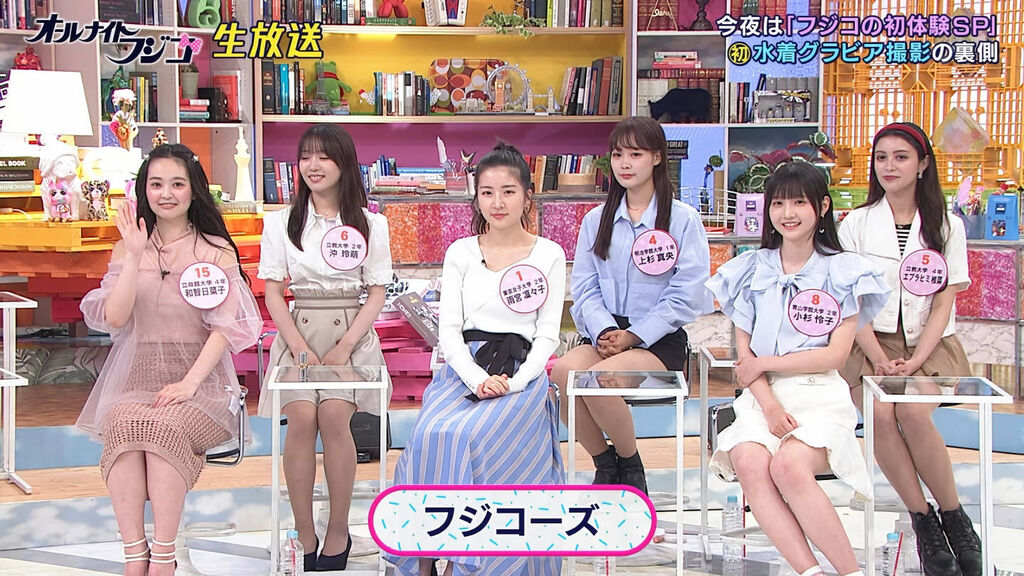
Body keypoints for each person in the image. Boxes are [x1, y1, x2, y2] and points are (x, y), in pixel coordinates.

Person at [77, 144, 262, 576]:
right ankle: (134, 555)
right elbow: (115, 318)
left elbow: (225, 330)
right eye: (156, 184)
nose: (166, 193)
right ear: (144, 190)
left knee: (161, 429)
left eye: (177, 184)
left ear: (194, 190)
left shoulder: (215, 250)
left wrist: (188, 384)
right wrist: (134, 255)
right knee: (126, 427)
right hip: (134, 377)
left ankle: (163, 557)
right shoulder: (127, 248)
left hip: (201, 382)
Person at [385, 142, 566, 576]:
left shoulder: (549, 254)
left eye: (508, 191)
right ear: (476, 197)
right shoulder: (461, 252)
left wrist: (514, 382)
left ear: (527, 196)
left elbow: (547, 335)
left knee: (473, 437)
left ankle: (468, 561)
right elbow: (448, 331)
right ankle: (425, 555)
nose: (497, 202)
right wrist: (476, 379)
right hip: (464, 371)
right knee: (432, 433)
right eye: (487, 192)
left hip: (521, 375)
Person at [706, 161, 889, 576]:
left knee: (788, 466)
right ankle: (811, 572)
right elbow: (745, 363)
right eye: (778, 203)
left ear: (822, 207)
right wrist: (770, 406)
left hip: (819, 394)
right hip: (762, 399)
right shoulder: (749, 269)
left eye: (799, 203)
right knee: (749, 461)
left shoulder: (845, 271)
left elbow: (835, 356)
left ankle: (852, 572)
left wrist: (766, 363)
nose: (787, 213)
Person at [839, 122, 980, 576]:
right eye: (881, 157)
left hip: (929, 344)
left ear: (922, 165)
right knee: (881, 415)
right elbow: (851, 301)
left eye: (900, 157)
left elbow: (944, 301)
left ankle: (955, 517)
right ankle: (924, 521)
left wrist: (917, 358)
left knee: (913, 412)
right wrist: (879, 358)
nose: (889, 166)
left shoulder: (947, 225)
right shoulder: (856, 224)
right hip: (869, 342)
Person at [550, 116, 712, 493]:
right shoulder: (596, 220)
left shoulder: (683, 220)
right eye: (618, 154)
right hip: (605, 334)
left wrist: (635, 336)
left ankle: (631, 464)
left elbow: (687, 292)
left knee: (599, 380)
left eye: (635, 154)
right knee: (563, 373)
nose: (625, 163)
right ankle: (605, 463)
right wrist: (606, 330)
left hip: (657, 339)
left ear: (657, 157)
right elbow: (585, 286)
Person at [258, 124, 394, 572]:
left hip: (349, 335)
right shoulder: (281, 222)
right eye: (305, 157)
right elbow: (273, 291)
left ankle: (339, 530)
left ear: (344, 163)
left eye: (324, 156)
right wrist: (298, 348)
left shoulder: (371, 224)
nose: (312, 166)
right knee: (300, 417)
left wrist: (345, 346)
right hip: (299, 332)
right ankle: (304, 532)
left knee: (335, 416)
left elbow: (376, 291)